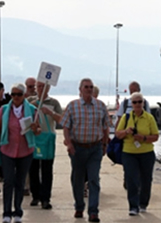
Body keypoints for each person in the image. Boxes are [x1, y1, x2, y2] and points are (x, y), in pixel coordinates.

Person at [60, 78, 109, 223]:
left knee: (94, 179)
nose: (89, 89)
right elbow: (66, 127)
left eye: (91, 87)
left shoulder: (100, 106)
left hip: (95, 148)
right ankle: (79, 206)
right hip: (78, 149)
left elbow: (105, 126)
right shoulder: (72, 106)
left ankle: (93, 212)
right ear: (80, 89)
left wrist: (105, 144)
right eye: (86, 87)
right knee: (77, 179)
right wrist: (69, 144)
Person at [0, 83, 41, 223]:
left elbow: (38, 132)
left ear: (24, 95)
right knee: (8, 181)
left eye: (19, 94)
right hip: (7, 150)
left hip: (25, 151)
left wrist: (35, 129)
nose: (16, 97)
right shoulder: (4, 110)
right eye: (13, 94)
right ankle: (6, 213)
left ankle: (17, 211)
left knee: (20, 182)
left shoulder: (32, 110)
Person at [115, 92, 159, 216]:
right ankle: (133, 206)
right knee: (131, 179)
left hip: (146, 153)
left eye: (140, 102)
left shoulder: (149, 118)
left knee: (146, 179)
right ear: (131, 104)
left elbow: (155, 136)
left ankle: (143, 203)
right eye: (135, 102)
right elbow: (118, 134)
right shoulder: (126, 117)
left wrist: (143, 138)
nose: (137, 104)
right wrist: (126, 131)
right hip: (129, 153)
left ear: (143, 103)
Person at [27, 81, 62, 210]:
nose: (41, 89)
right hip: (34, 137)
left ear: (48, 88)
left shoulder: (54, 103)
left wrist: (50, 113)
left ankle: (46, 198)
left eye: (43, 86)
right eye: (39, 86)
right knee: (33, 168)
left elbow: (61, 119)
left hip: (48, 137)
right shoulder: (31, 101)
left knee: (47, 169)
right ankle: (35, 195)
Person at [115, 81, 151, 189]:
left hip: (141, 140)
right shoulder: (125, 103)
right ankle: (128, 180)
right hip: (127, 139)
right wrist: (119, 133)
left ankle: (137, 183)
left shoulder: (145, 103)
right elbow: (120, 118)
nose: (132, 92)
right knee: (128, 163)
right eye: (131, 90)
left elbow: (149, 119)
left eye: (134, 90)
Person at [23, 77, 37, 196]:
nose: (33, 89)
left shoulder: (41, 99)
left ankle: (36, 186)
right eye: (30, 86)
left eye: (34, 86)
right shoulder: (22, 100)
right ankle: (26, 186)